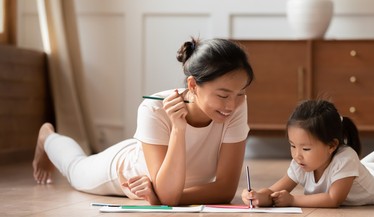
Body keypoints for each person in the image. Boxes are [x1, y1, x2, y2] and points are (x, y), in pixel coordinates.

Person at [33, 37, 254, 206]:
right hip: (126, 169)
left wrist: (162, 198)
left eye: (240, 93)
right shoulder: (154, 108)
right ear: (193, 85)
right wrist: (178, 128)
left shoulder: (235, 105)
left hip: (164, 178)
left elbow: (225, 189)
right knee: (75, 168)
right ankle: (48, 136)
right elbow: (169, 194)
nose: (231, 105)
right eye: (223, 95)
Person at [241, 99, 374, 208]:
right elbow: (274, 191)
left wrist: (293, 200)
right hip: (361, 171)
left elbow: (332, 199)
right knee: (357, 166)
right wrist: (258, 196)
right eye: (292, 145)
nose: (297, 155)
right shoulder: (302, 162)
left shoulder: (345, 158)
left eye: (305, 148)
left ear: (331, 146)